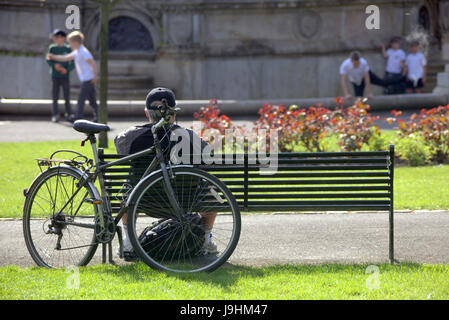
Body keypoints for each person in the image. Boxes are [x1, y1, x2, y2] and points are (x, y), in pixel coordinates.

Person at [114, 87, 218, 261]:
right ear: (173, 113)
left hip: (144, 200)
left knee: (128, 188)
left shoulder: (131, 137)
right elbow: (207, 156)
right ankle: (206, 240)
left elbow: (120, 148)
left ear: (147, 113)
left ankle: (128, 241)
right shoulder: (190, 137)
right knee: (212, 193)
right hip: (184, 201)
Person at [47, 31, 98, 122]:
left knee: (81, 98)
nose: (69, 45)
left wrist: (95, 77)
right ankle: (98, 115)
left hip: (88, 79)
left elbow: (93, 64)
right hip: (87, 79)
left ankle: (78, 116)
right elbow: (65, 58)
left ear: (75, 42)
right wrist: (53, 57)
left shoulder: (83, 51)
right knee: (92, 100)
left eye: (70, 42)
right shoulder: (77, 52)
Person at [46, 29, 74, 122]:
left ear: (63, 38)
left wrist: (67, 70)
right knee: (55, 96)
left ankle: (69, 114)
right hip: (55, 75)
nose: (56, 39)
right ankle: (55, 114)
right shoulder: (52, 48)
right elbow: (48, 59)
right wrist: (54, 65)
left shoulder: (68, 48)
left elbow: (73, 62)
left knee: (67, 96)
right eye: (55, 37)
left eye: (58, 37)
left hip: (65, 76)